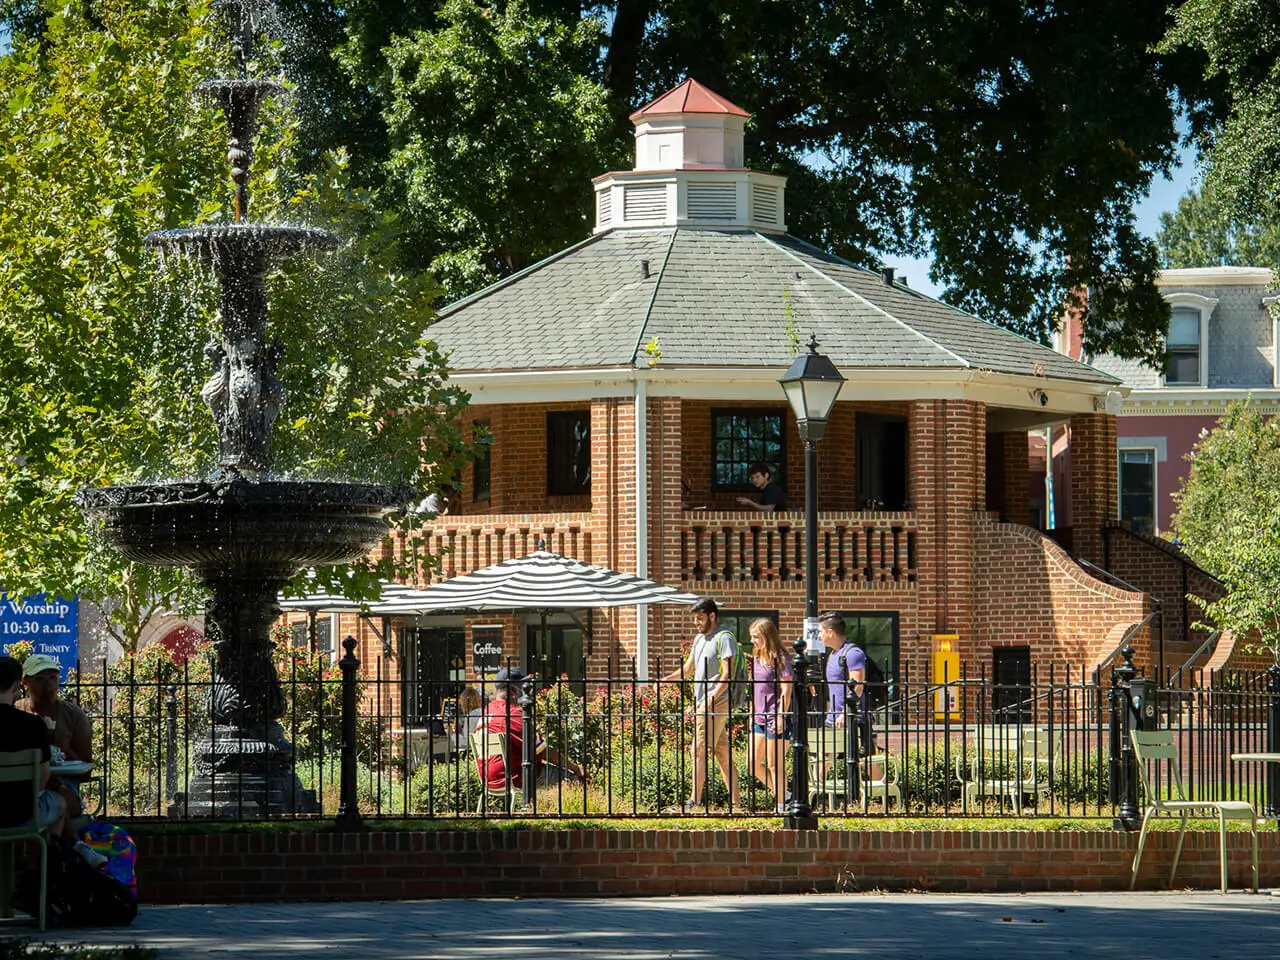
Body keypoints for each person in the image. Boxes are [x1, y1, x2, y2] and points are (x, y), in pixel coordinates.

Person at [658, 598, 741, 811]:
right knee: (721, 752)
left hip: (716, 702)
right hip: (704, 701)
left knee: (699, 749)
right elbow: (687, 670)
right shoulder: (698, 640)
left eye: (700, 618)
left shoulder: (724, 638)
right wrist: (664, 681)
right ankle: (737, 804)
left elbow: (728, 674)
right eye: (695, 619)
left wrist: (712, 697)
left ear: (712, 616)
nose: (697, 623)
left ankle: (693, 801)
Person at [475, 667, 583, 793]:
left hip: (488, 779)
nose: (524, 689)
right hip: (514, 776)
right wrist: (575, 768)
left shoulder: (487, 711)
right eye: (521, 686)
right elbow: (543, 751)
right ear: (511, 690)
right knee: (575, 778)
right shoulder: (512, 714)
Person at [0, 655, 66, 839]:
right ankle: (49, 861)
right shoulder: (34, 725)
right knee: (60, 804)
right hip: (22, 814)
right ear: (16, 686)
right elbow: (43, 775)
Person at [21, 654, 93, 820]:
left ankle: (57, 843)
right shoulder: (18, 712)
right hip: (23, 787)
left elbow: (86, 771)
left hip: (63, 784)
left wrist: (63, 748)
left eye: (52, 677)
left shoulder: (73, 715)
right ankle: (67, 842)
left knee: (61, 795)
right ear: (25, 682)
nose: (48, 685)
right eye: (39, 679)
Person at [747, 618, 792, 813]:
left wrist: (781, 716)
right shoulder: (756, 659)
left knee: (774, 765)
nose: (753, 641)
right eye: (752, 637)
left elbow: (787, 690)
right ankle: (787, 795)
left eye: (756, 637)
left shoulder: (781, 658)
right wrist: (752, 712)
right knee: (752, 763)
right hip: (759, 718)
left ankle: (781, 805)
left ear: (767, 636)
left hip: (776, 716)